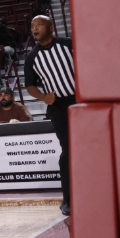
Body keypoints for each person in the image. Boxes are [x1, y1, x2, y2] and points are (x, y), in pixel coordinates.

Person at [24, 16, 77, 216]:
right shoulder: (32, 57)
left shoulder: (69, 44)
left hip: (81, 100)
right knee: (67, 150)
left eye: (38, 25)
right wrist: (43, 97)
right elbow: (30, 85)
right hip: (58, 106)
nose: (34, 28)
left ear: (51, 28)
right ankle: (68, 199)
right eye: (32, 26)